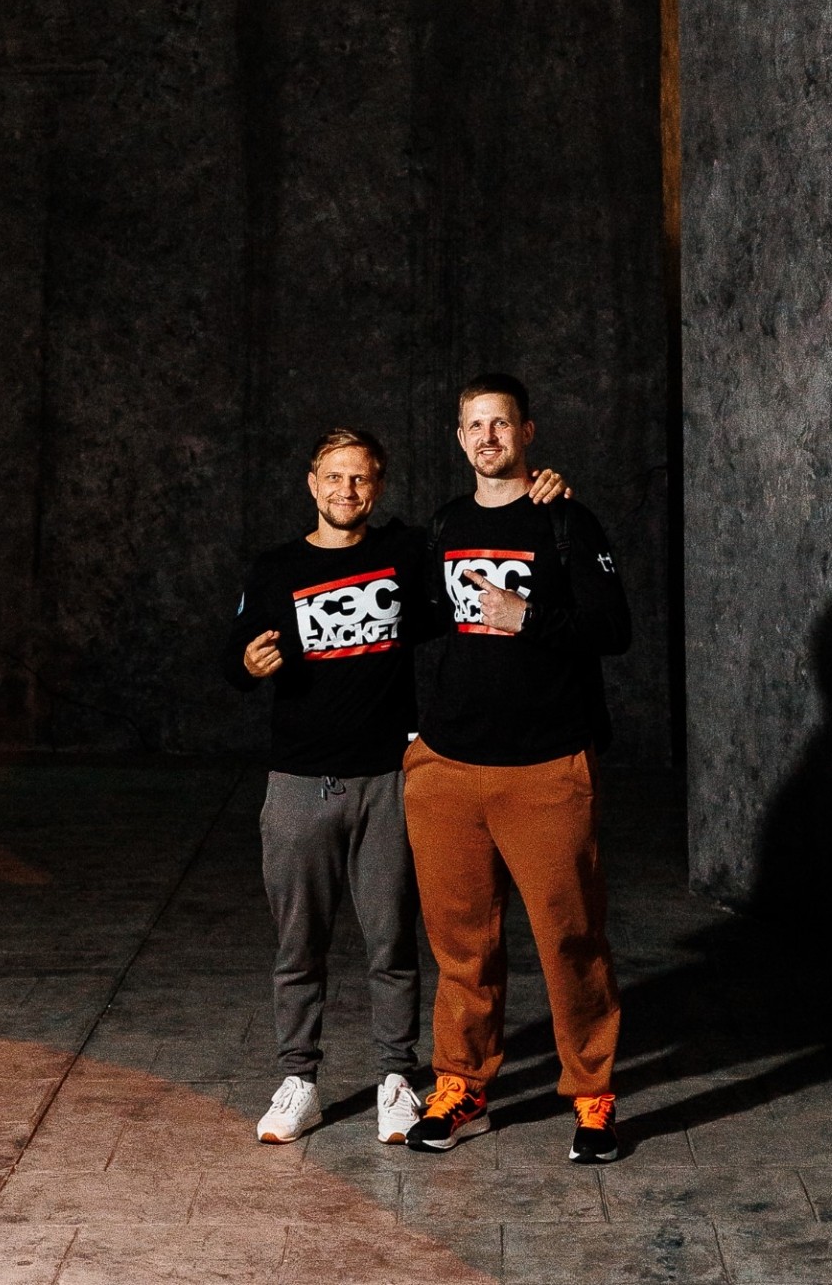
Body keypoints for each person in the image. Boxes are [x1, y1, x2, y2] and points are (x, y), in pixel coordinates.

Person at [223, 424, 570, 1146]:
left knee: (393, 942)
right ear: (312, 484)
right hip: (299, 781)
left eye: (361, 478)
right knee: (299, 944)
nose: (346, 490)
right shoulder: (276, 567)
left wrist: (544, 489)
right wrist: (246, 665)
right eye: (334, 476)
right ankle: (299, 1080)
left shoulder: (406, 552)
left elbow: (482, 530)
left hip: (388, 778)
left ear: (377, 488)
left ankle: (395, 1078)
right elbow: (235, 654)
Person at [403, 375, 631, 1166]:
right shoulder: (445, 524)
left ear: (527, 432)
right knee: (461, 945)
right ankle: (462, 1088)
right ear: (459, 437)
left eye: (501, 423)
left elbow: (614, 628)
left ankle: (593, 1095)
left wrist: (526, 616)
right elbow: (418, 622)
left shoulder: (566, 518)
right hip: (448, 765)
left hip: (545, 766)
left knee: (570, 939)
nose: (488, 437)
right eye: (475, 425)